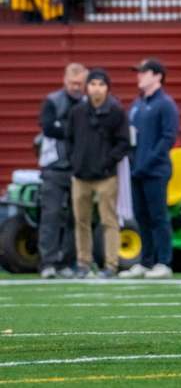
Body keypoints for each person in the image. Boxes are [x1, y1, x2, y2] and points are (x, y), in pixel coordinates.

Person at [118, 58, 180, 279]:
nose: (139, 76)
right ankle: (146, 261)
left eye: (144, 72)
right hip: (137, 171)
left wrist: (148, 162)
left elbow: (168, 137)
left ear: (157, 76)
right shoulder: (137, 104)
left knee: (158, 217)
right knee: (141, 218)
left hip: (155, 171)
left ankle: (164, 262)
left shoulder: (165, 104)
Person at [66, 68, 130, 279]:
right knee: (81, 221)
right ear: (87, 87)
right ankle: (83, 263)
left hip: (106, 176)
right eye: (93, 84)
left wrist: (107, 162)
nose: (97, 88)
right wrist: (74, 163)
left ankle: (111, 264)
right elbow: (69, 139)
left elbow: (123, 143)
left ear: (107, 88)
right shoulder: (77, 112)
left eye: (101, 84)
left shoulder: (116, 111)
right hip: (80, 176)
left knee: (109, 221)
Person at [37, 62, 87, 279]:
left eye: (79, 83)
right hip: (54, 167)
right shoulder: (52, 101)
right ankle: (47, 263)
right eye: (72, 83)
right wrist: (72, 130)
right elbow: (48, 126)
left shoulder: (87, 102)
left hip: (78, 168)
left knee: (76, 218)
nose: (76, 87)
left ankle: (67, 262)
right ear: (65, 81)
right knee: (52, 215)